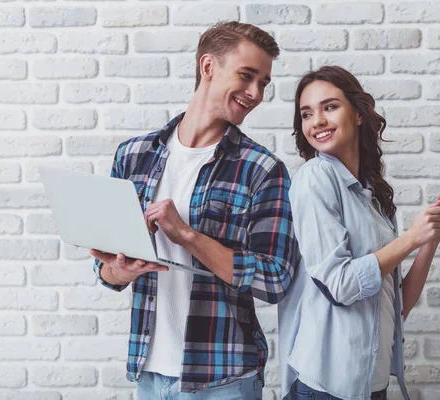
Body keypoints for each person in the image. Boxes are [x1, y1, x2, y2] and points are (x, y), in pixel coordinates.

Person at [90, 21, 298, 400]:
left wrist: (187, 236)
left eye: (264, 83)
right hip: (149, 375)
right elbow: (106, 271)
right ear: (207, 67)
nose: (255, 93)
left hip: (224, 381)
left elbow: (276, 279)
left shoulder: (262, 169)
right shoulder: (133, 156)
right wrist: (118, 269)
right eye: (247, 76)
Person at [278, 66, 440, 400]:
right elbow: (341, 285)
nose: (316, 120)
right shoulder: (315, 179)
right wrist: (409, 239)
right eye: (307, 113)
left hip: (371, 385)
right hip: (327, 387)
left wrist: (430, 238)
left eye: (329, 107)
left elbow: (398, 306)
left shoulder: (370, 196)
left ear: (359, 114)